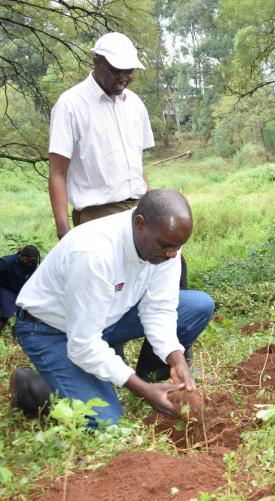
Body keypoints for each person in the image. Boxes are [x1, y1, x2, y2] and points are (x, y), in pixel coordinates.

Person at [10, 189, 215, 427]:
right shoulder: (93, 253)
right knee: (106, 421)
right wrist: (142, 390)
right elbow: (83, 344)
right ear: (139, 223)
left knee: (197, 306)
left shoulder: (165, 243)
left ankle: (155, 378)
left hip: (108, 317)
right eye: (166, 246)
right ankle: (32, 386)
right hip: (52, 331)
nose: (171, 254)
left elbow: (159, 309)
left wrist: (176, 360)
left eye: (177, 247)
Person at [48, 32, 153, 241]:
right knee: (104, 274)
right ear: (97, 62)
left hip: (138, 211)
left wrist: (151, 205)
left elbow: (138, 165)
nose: (123, 77)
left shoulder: (135, 104)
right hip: (96, 216)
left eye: (129, 71)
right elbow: (57, 172)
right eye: (115, 70)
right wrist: (63, 231)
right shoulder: (71, 105)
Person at [0, 246, 39, 332]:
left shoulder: (31, 264)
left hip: (19, 290)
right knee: (6, 312)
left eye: (32, 262)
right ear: (23, 257)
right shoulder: (7, 262)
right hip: (6, 287)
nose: (30, 264)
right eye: (29, 261)